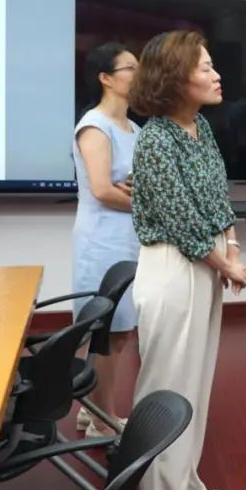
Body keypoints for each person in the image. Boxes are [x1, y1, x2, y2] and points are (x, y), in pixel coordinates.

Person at [128, 30, 246, 490]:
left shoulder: (200, 126)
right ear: (176, 78)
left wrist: (233, 247)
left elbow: (218, 194)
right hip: (174, 267)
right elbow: (180, 220)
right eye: (205, 67)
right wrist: (226, 265)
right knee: (167, 385)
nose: (217, 75)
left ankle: (185, 483)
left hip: (205, 263)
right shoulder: (155, 138)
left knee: (195, 380)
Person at [71, 42, 141, 437]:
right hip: (102, 242)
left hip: (128, 240)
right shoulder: (95, 125)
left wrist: (137, 194)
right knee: (108, 334)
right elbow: (102, 190)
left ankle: (93, 411)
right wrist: (146, 202)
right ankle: (102, 420)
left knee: (120, 331)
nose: (139, 74)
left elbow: (135, 186)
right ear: (106, 78)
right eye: (130, 68)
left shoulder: (136, 129)